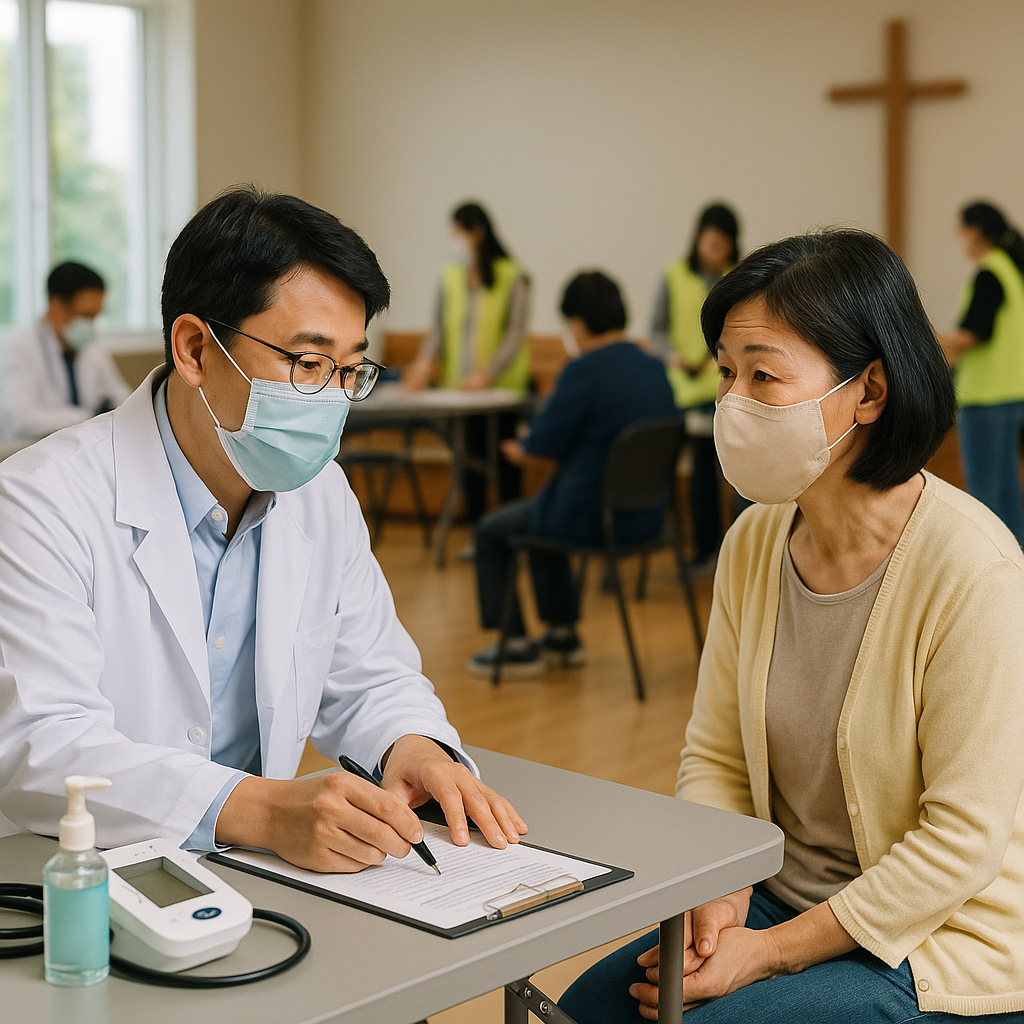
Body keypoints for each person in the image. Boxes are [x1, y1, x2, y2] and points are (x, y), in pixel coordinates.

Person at [560, 230, 1024, 1022]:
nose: (733, 403)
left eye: (764, 375)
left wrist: (769, 951)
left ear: (869, 391)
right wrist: (722, 888)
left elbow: (961, 842)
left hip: (932, 936)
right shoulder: (755, 541)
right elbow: (713, 755)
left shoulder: (973, 567)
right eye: (726, 375)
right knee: (588, 1010)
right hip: (776, 899)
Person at [0, 186, 527, 870]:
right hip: (72, 885)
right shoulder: (41, 501)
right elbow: (44, 744)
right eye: (307, 364)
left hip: (259, 883)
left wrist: (413, 745)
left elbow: (369, 674)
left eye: (350, 369)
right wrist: (259, 809)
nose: (333, 398)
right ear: (194, 349)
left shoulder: (320, 494)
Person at [467, 271, 676, 679]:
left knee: (494, 530)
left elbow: (543, 443)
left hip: (591, 517)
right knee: (544, 514)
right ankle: (562, 635)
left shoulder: (583, 371)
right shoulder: (653, 367)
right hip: (648, 517)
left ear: (577, 322)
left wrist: (522, 450)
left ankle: (516, 644)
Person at [404, 202, 531, 528]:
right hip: (461, 391)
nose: (454, 240)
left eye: (459, 232)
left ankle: (510, 529)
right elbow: (438, 330)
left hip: (501, 390)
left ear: (478, 233)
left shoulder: (512, 275)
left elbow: (515, 333)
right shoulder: (450, 276)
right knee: (469, 460)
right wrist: (423, 362)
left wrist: (488, 373)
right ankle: (478, 532)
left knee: (502, 461)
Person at [651, 204, 740, 574]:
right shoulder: (673, 275)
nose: (714, 244)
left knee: (740, 477)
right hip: (686, 392)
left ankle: (738, 557)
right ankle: (705, 552)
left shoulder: (742, 277)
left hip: (731, 390)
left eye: (722, 238)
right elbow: (656, 329)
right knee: (700, 476)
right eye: (709, 235)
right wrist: (670, 356)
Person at [938, 201, 1024, 546]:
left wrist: (923, 336)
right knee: (1008, 491)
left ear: (974, 232)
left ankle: (988, 568)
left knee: (985, 492)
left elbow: (973, 333)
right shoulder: (1013, 270)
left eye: (960, 231)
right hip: (1013, 394)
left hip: (985, 398)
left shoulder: (990, 272)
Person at [0, 261, 130, 442]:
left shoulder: (94, 348)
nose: (90, 325)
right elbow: (20, 419)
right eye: (85, 315)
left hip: (87, 448)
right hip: (34, 452)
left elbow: (123, 399)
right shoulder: (16, 346)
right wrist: (90, 416)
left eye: (95, 316)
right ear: (57, 305)